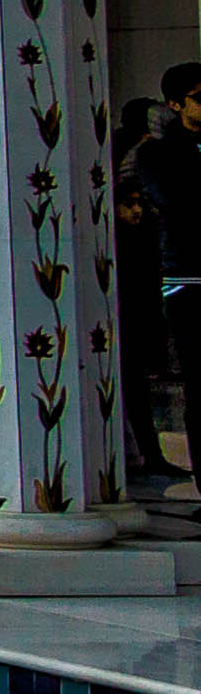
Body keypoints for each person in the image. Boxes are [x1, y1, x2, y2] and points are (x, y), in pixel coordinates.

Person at [131, 67, 201, 492]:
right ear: (176, 104)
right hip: (188, 279)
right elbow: (176, 205)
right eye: (198, 96)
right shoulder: (157, 153)